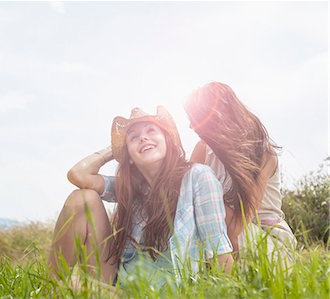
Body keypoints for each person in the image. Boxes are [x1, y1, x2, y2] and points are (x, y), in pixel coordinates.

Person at [48, 106, 233, 287]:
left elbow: (220, 254)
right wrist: (116, 149)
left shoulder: (198, 177)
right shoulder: (130, 187)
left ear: (168, 140)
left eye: (151, 130)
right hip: (118, 288)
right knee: (83, 198)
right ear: (128, 155)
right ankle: (48, 287)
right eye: (134, 137)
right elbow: (78, 175)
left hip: (170, 292)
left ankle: (58, 288)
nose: (143, 137)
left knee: (72, 285)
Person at [184, 82, 297, 260]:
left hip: (265, 238)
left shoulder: (263, 154)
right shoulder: (203, 150)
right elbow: (183, 200)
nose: (191, 126)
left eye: (195, 117)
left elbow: (236, 227)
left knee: (216, 207)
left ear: (217, 115)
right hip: (219, 231)